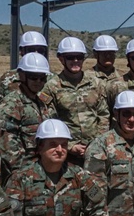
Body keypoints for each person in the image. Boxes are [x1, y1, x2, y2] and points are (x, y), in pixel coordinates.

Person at [41, 37, 110, 165]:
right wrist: (70, 146)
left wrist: (97, 143)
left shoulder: (96, 84)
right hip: (66, 155)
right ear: (61, 59)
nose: (76, 61)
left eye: (79, 57)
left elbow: (104, 115)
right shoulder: (52, 87)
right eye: (70, 57)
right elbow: (49, 120)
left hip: (96, 152)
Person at [0, 52, 55, 181]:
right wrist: (25, 175)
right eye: (34, 77)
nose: (38, 82)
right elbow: (8, 148)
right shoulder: (11, 105)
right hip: (20, 178)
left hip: (42, 174)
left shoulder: (43, 103)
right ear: (22, 76)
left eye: (42, 78)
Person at [0, 30, 51, 115]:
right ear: (21, 51)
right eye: (31, 49)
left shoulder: (51, 79)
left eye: (40, 50)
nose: (36, 53)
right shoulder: (8, 78)